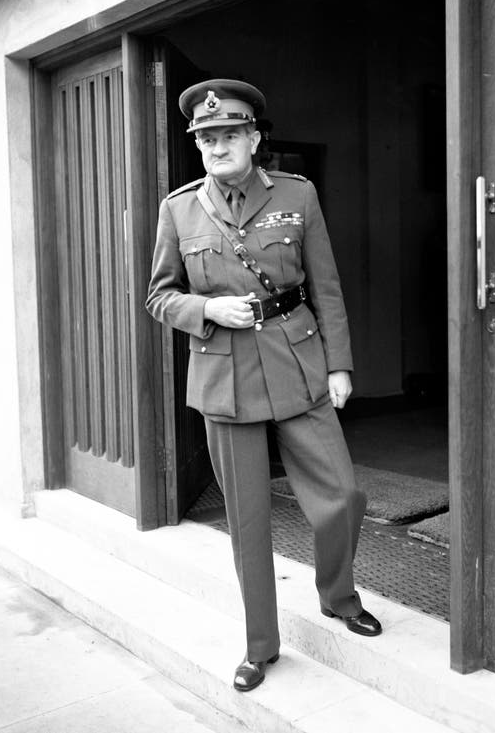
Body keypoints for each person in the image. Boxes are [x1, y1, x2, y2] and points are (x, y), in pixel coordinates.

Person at [146, 79, 381, 693]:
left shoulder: (297, 196)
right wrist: (205, 311)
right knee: (247, 518)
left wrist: (339, 366)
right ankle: (260, 646)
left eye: (228, 135)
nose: (217, 146)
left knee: (343, 493)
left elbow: (325, 286)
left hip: (296, 361)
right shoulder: (179, 209)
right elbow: (158, 295)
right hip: (223, 373)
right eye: (206, 138)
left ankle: (338, 595)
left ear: (254, 138)